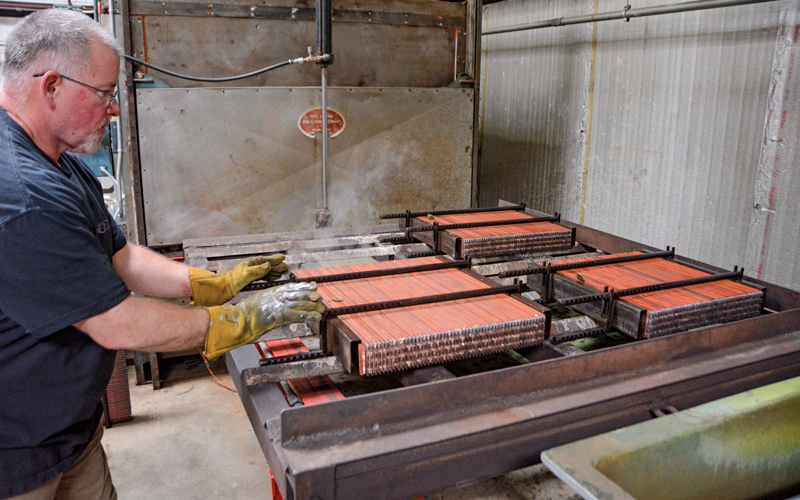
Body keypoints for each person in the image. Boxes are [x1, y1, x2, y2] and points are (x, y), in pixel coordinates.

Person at [0, 9, 325, 499]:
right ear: (51, 87)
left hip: (68, 430)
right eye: (106, 93)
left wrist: (204, 283)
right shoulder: (22, 195)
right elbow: (116, 323)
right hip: (15, 452)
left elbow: (120, 255)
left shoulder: (61, 164)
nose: (114, 109)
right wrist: (235, 322)